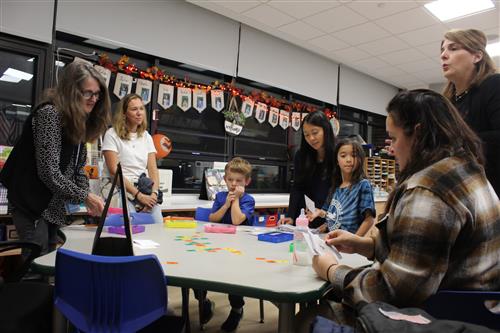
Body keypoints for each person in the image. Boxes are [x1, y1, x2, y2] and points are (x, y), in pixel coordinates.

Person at [301, 90, 500, 330]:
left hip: (440, 319)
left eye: (394, 139)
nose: (391, 149)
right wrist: (364, 245)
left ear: (417, 134)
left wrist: (331, 270)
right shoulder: (466, 168)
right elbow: (422, 251)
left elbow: (392, 291)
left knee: (310, 317)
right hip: (476, 312)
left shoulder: (429, 192)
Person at [0, 61, 110, 255]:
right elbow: (49, 173)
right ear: (71, 91)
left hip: (52, 205)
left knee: (49, 262)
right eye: (88, 93)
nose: (94, 99)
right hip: (31, 204)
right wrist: (85, 196)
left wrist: (87, 198)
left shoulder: (78, 121)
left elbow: (78, 168)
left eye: (97, 94)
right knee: (35, 265)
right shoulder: (49, 115)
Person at [196, 157, 255, 332]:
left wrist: (235, 200)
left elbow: (237, 220)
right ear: (225, 179)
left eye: (238, 181)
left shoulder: (248, 200)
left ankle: (237, 309)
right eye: (230, 180)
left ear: (247, 182)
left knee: (233, 276)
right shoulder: (221, 196)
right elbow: (213, 218)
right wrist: (225, 204)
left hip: (239, 248)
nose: (233, 184)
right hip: (217, 244)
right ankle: (204, 302)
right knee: (198, 269)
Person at [441, 28, 500, 197]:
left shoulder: (494, 85)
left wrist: (453, 142)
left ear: (477, 56)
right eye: (443, 49)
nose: (444, 55)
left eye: (453, 48)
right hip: (459, 193)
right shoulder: (447, 103)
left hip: (491, 196)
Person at [102, 93, 163, 224]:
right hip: (120, 190)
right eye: (134, 109)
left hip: (143, 190)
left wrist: (154, 195)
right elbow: (114, 172)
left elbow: (153, 170)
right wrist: (138, 196)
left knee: (158, 226)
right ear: (124, 113)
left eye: (141, 109)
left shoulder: (146, 136)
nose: (139, 113)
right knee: (131, 229)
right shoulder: (111, 134)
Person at [307, 139, 375, 235]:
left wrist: (354, 243)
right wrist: (315, 231)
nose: (348, 160)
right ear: (337, 161)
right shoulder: (335, 188)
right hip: (332, 243)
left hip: (348, 247)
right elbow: (331, 220)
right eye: (343, 156)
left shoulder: (363, 185)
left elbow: (369, 219)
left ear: (360, 159)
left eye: (354, 155)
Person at [280, 111, 336, 227]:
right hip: (304, 215)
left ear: (326, 130)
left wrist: (327, 221)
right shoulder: (301, 155)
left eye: (315, 132)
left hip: (327, 216)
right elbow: (297, 187)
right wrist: (290, 215)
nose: (311, 138)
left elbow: (337, 190)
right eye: (306, 134)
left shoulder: (337, 155)